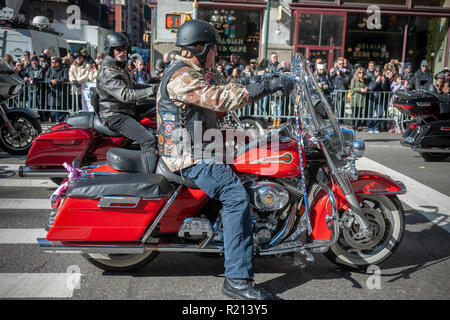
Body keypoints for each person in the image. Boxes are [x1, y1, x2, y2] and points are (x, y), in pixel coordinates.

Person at [157, 19, 294, 300]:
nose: (216, 54)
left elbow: (233, 85)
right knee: (236, 197)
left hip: (203, 143)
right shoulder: (182, 77)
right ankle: (237, 280)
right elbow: (221, 98)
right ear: (199, 47)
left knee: (254, 149)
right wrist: (269, 87)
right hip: (188, 155)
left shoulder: (198, 71)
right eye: (213, 49)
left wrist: (271, 79)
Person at [96, 32, 158, 152]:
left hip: (125, 109)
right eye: (118, 49)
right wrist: (151, 90)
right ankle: (148, 170)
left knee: (155, 105)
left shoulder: (119, 67)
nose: (123, 51)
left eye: (124, 48)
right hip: (114, 115)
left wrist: (156, 88)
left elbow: (134, 86)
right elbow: (125, 95)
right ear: (110, 50)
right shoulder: (108, 71)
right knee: (148, 140)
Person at [367, 65, 390, 133]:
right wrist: (376, 82)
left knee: (380, 114)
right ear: (374, 71)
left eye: (379, 71)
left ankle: (376, 127)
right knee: (370, 113)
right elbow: (371, 88)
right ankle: (370, 127)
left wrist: (383, 83)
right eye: (377, 71)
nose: (378, 72)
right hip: (372, 97)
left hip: (380, 98)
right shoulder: (371, 77)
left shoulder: (383, 78)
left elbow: (385, 89)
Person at [45, 57, 68, 122]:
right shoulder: (50, 69)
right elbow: (46, 78)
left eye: (52, 62)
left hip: (61, 90)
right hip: (52, 90)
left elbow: (65, 78)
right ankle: (59, 118)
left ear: (57, 63)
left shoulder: (63, 69)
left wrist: (57, 81)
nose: (51, 63)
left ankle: (59, 119)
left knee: (60, 106)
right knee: (52, 106)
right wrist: (51, 81)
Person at [350, 66, 369, 131]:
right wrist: (360, 89)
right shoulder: (354, 79)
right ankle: (353, 125)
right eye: (360, 72)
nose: (361, 74)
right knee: (354, 112)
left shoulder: (365, 79)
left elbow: (367, 85)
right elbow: (352, 88)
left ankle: (358, 126)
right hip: (355, 98)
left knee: (360, 113)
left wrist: (366, 88)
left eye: (363, 72)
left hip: (362, 98)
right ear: (357, 73)